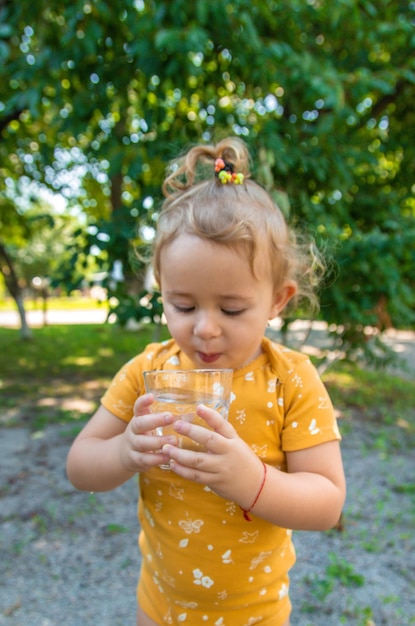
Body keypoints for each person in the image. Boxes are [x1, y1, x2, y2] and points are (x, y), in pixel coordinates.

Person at [66, 137, 346, 626]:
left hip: (253, 614)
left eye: (231, 308)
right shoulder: (148, 372)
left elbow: (326, 502)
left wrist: (250, 481)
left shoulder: (291, 381)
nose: (205, 327)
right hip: (159, 604)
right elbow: (79, 465)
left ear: (278, 300)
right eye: (184, 305)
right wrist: (123, 452)